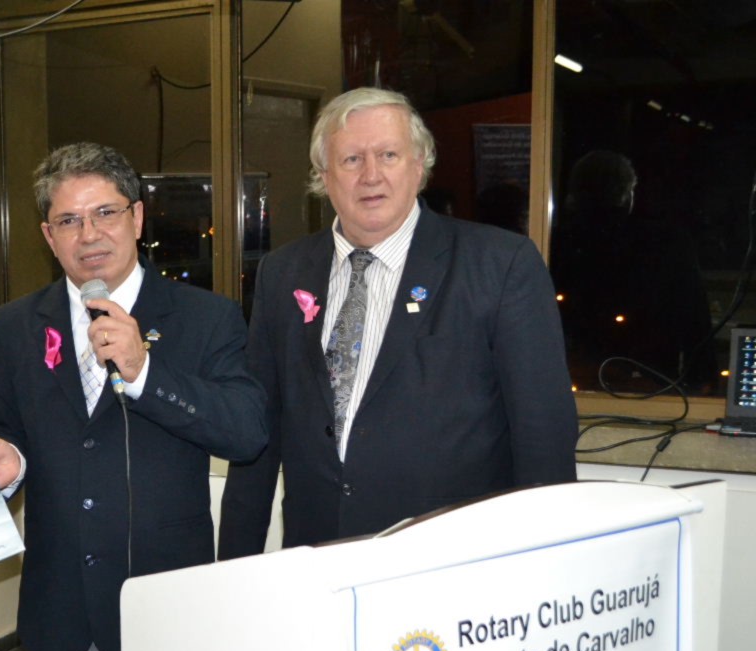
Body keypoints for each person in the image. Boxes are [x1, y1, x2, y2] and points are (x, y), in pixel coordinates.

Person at [0, 142, 267, 651]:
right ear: (47, 236)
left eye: (105, 213)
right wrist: (6, 465)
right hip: (64, 603)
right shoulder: (15, 325)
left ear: (137, 218)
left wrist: (143, 371)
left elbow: (246, 432)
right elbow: (12, 437)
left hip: (167, 602)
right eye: (68, 221)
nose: (89, 234)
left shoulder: (207, 317)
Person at [219, 87, 577, 559]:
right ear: (324, 176)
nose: (371, 175)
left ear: (419, 165)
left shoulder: (500, 265)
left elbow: (543, 437)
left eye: (388, 154)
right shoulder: (282, 273)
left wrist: (546, 566)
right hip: (318, 557)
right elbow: (257, 433)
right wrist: (233, 569)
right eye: (351, 159)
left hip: (449, 561)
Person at [549, 149, 715, 393]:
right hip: (650, 380)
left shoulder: (555, 243)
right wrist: (701, 380)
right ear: (626, 194)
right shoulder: (663, 242)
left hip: (570, 377)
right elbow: (694, 314)